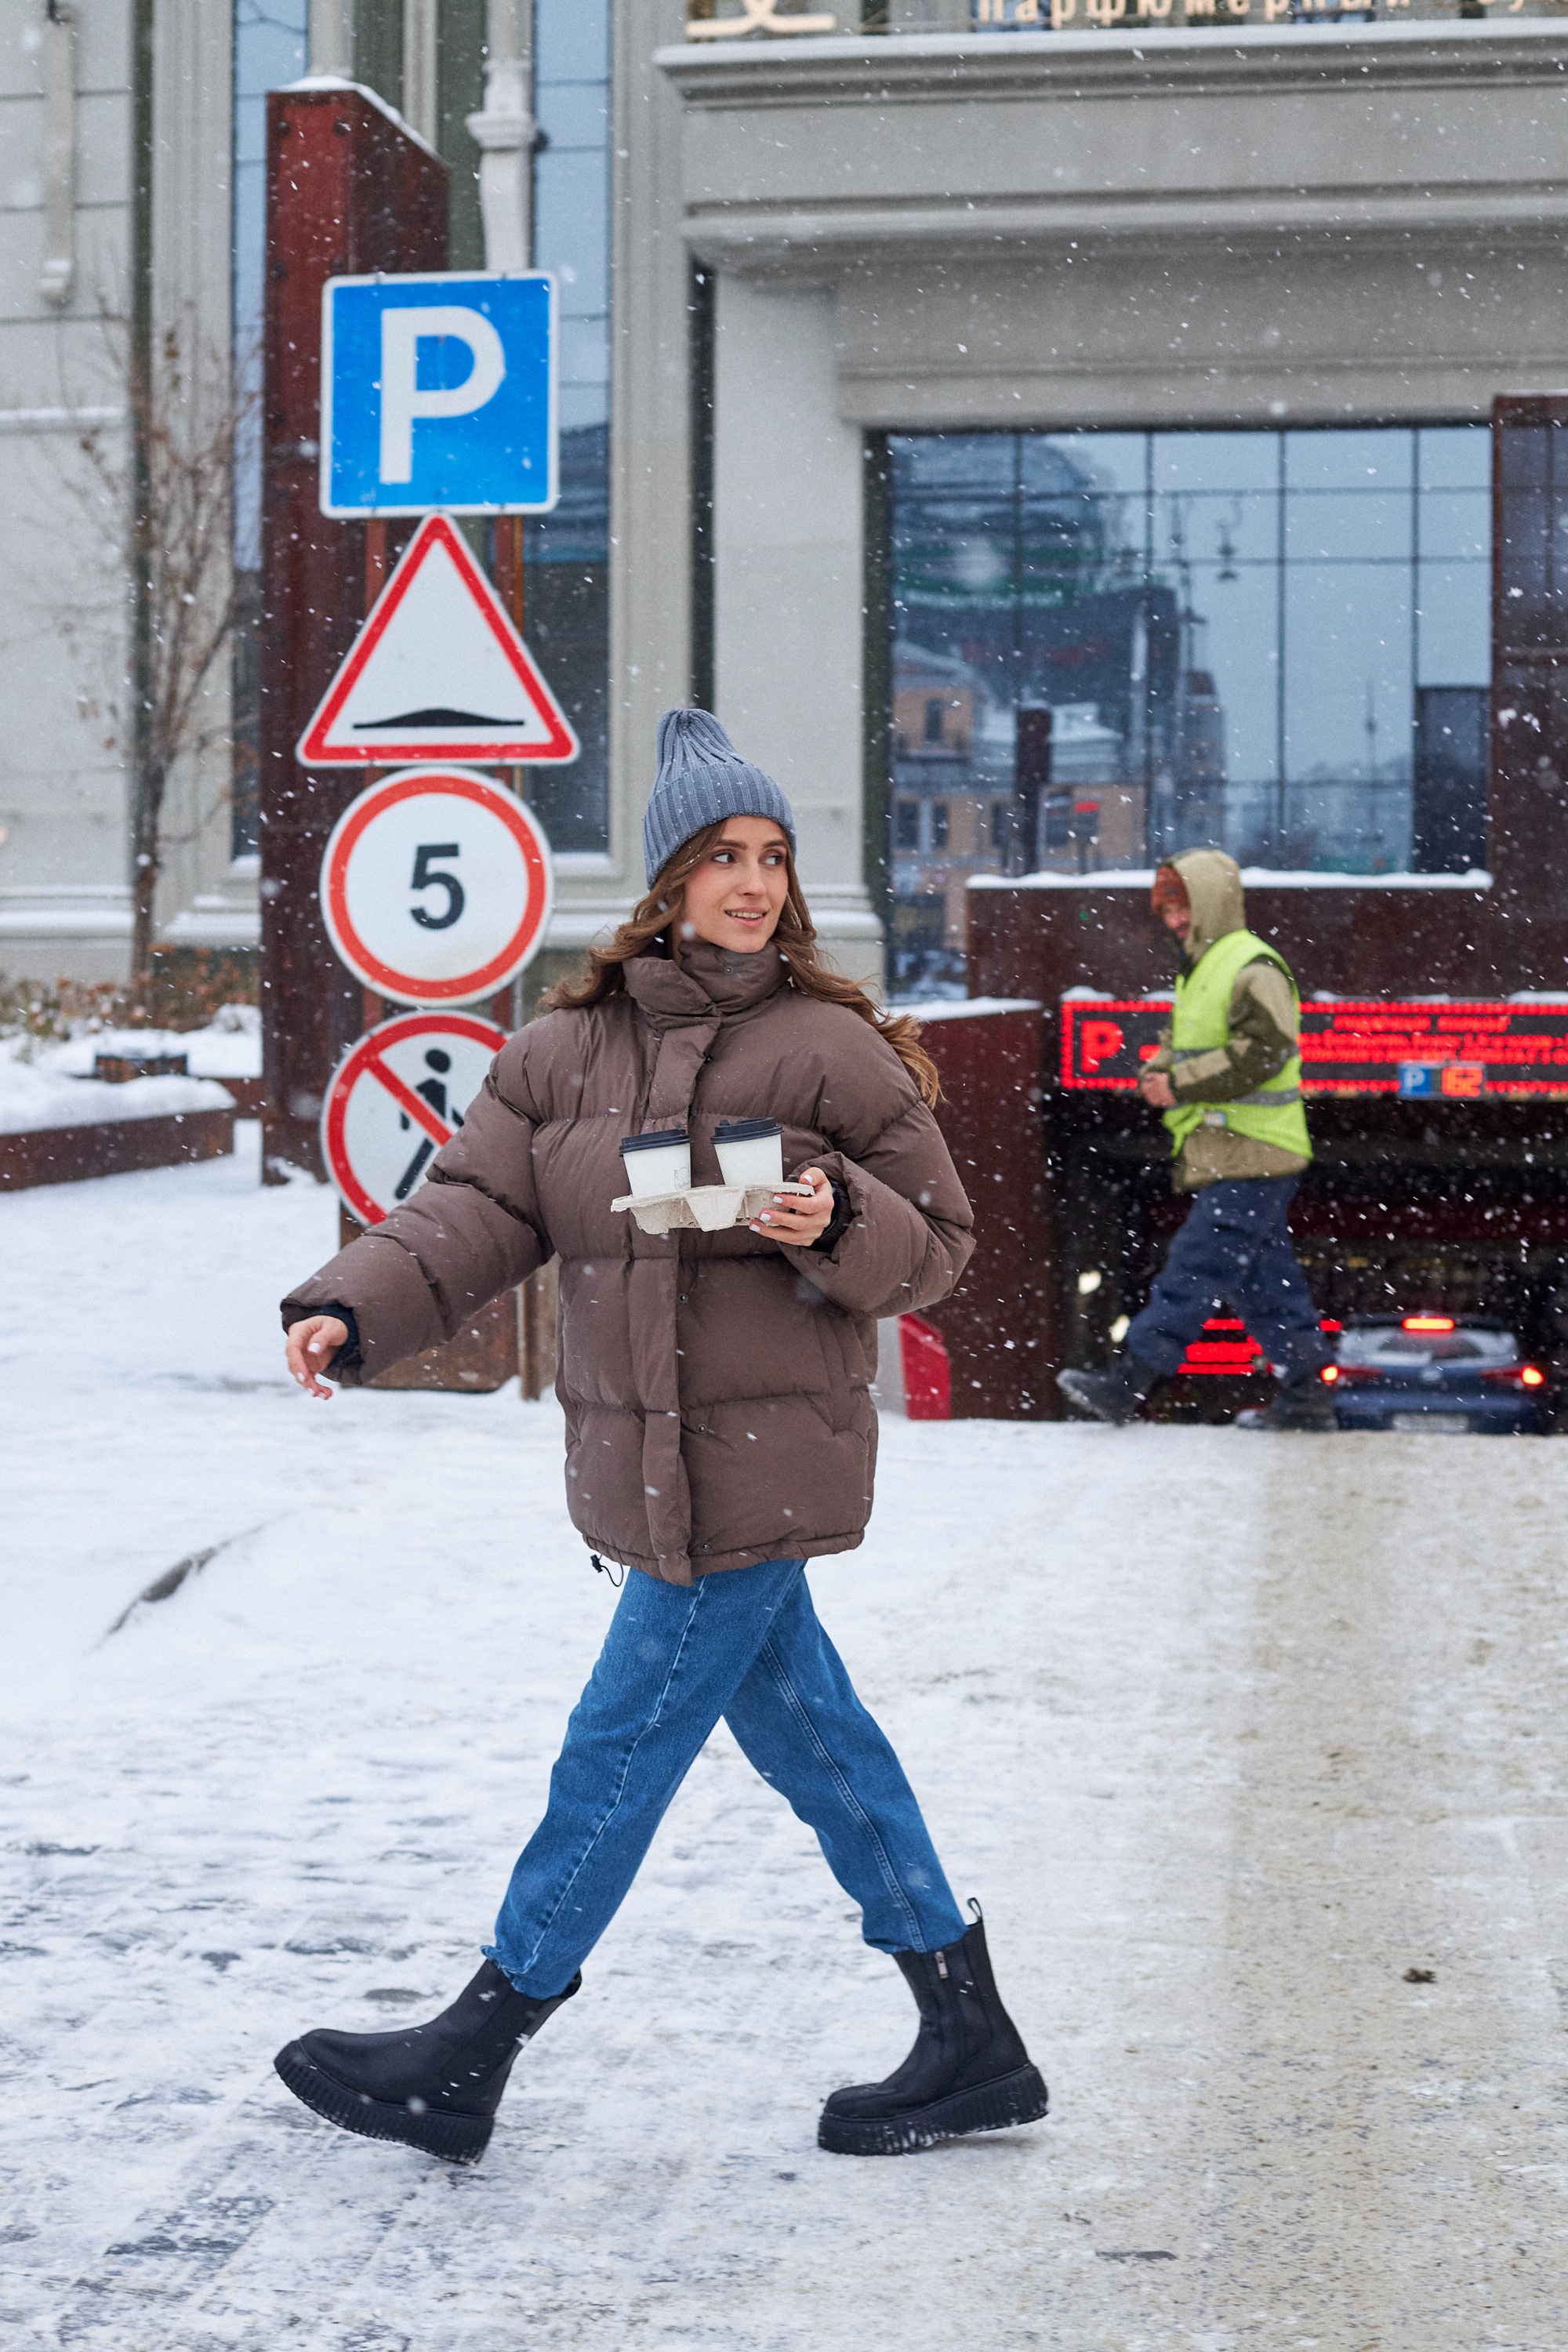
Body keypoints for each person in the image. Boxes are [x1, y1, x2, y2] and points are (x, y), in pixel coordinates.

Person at [274, 710, 1049, 2166]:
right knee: (814, 1737)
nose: (752, 881)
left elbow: (941, 1240)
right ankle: (968, 2032)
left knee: (615, 1748)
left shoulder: (829, 1048)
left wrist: (837, 1223)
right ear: (666, 879)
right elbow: (475, 1215)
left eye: (772, 855)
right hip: (641, 1465)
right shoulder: (564, 1054)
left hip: (761, 1460)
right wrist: (352, 1306)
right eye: (721, 856)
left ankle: (476, 2044)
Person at [1058, 848, 1334, 1432]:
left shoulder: (1248, 963)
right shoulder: (1206, 966)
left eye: (1182, 907)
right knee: (1266, 1287)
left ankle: (1127, 1385)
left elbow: (1266, 1050)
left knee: (1193, 1269)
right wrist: (1160, 1071)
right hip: (1245, 1150)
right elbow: (1196, 1044)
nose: (1174, 920)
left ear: (1211, 902)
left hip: (1251, 1149)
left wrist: (1177, 1083)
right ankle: (1307, 1397)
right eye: (1166, 910)